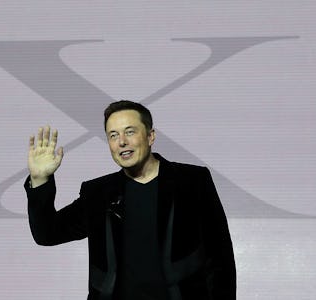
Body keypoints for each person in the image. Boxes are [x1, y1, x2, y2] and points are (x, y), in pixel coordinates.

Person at [25, 100, 236, 300]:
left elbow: (220, 257)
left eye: (130, 132)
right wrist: (40, 179)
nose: (122, 142)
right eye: (113, 135)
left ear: (150, 136)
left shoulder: (192, 181)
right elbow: (47, 233)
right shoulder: (97, 193)